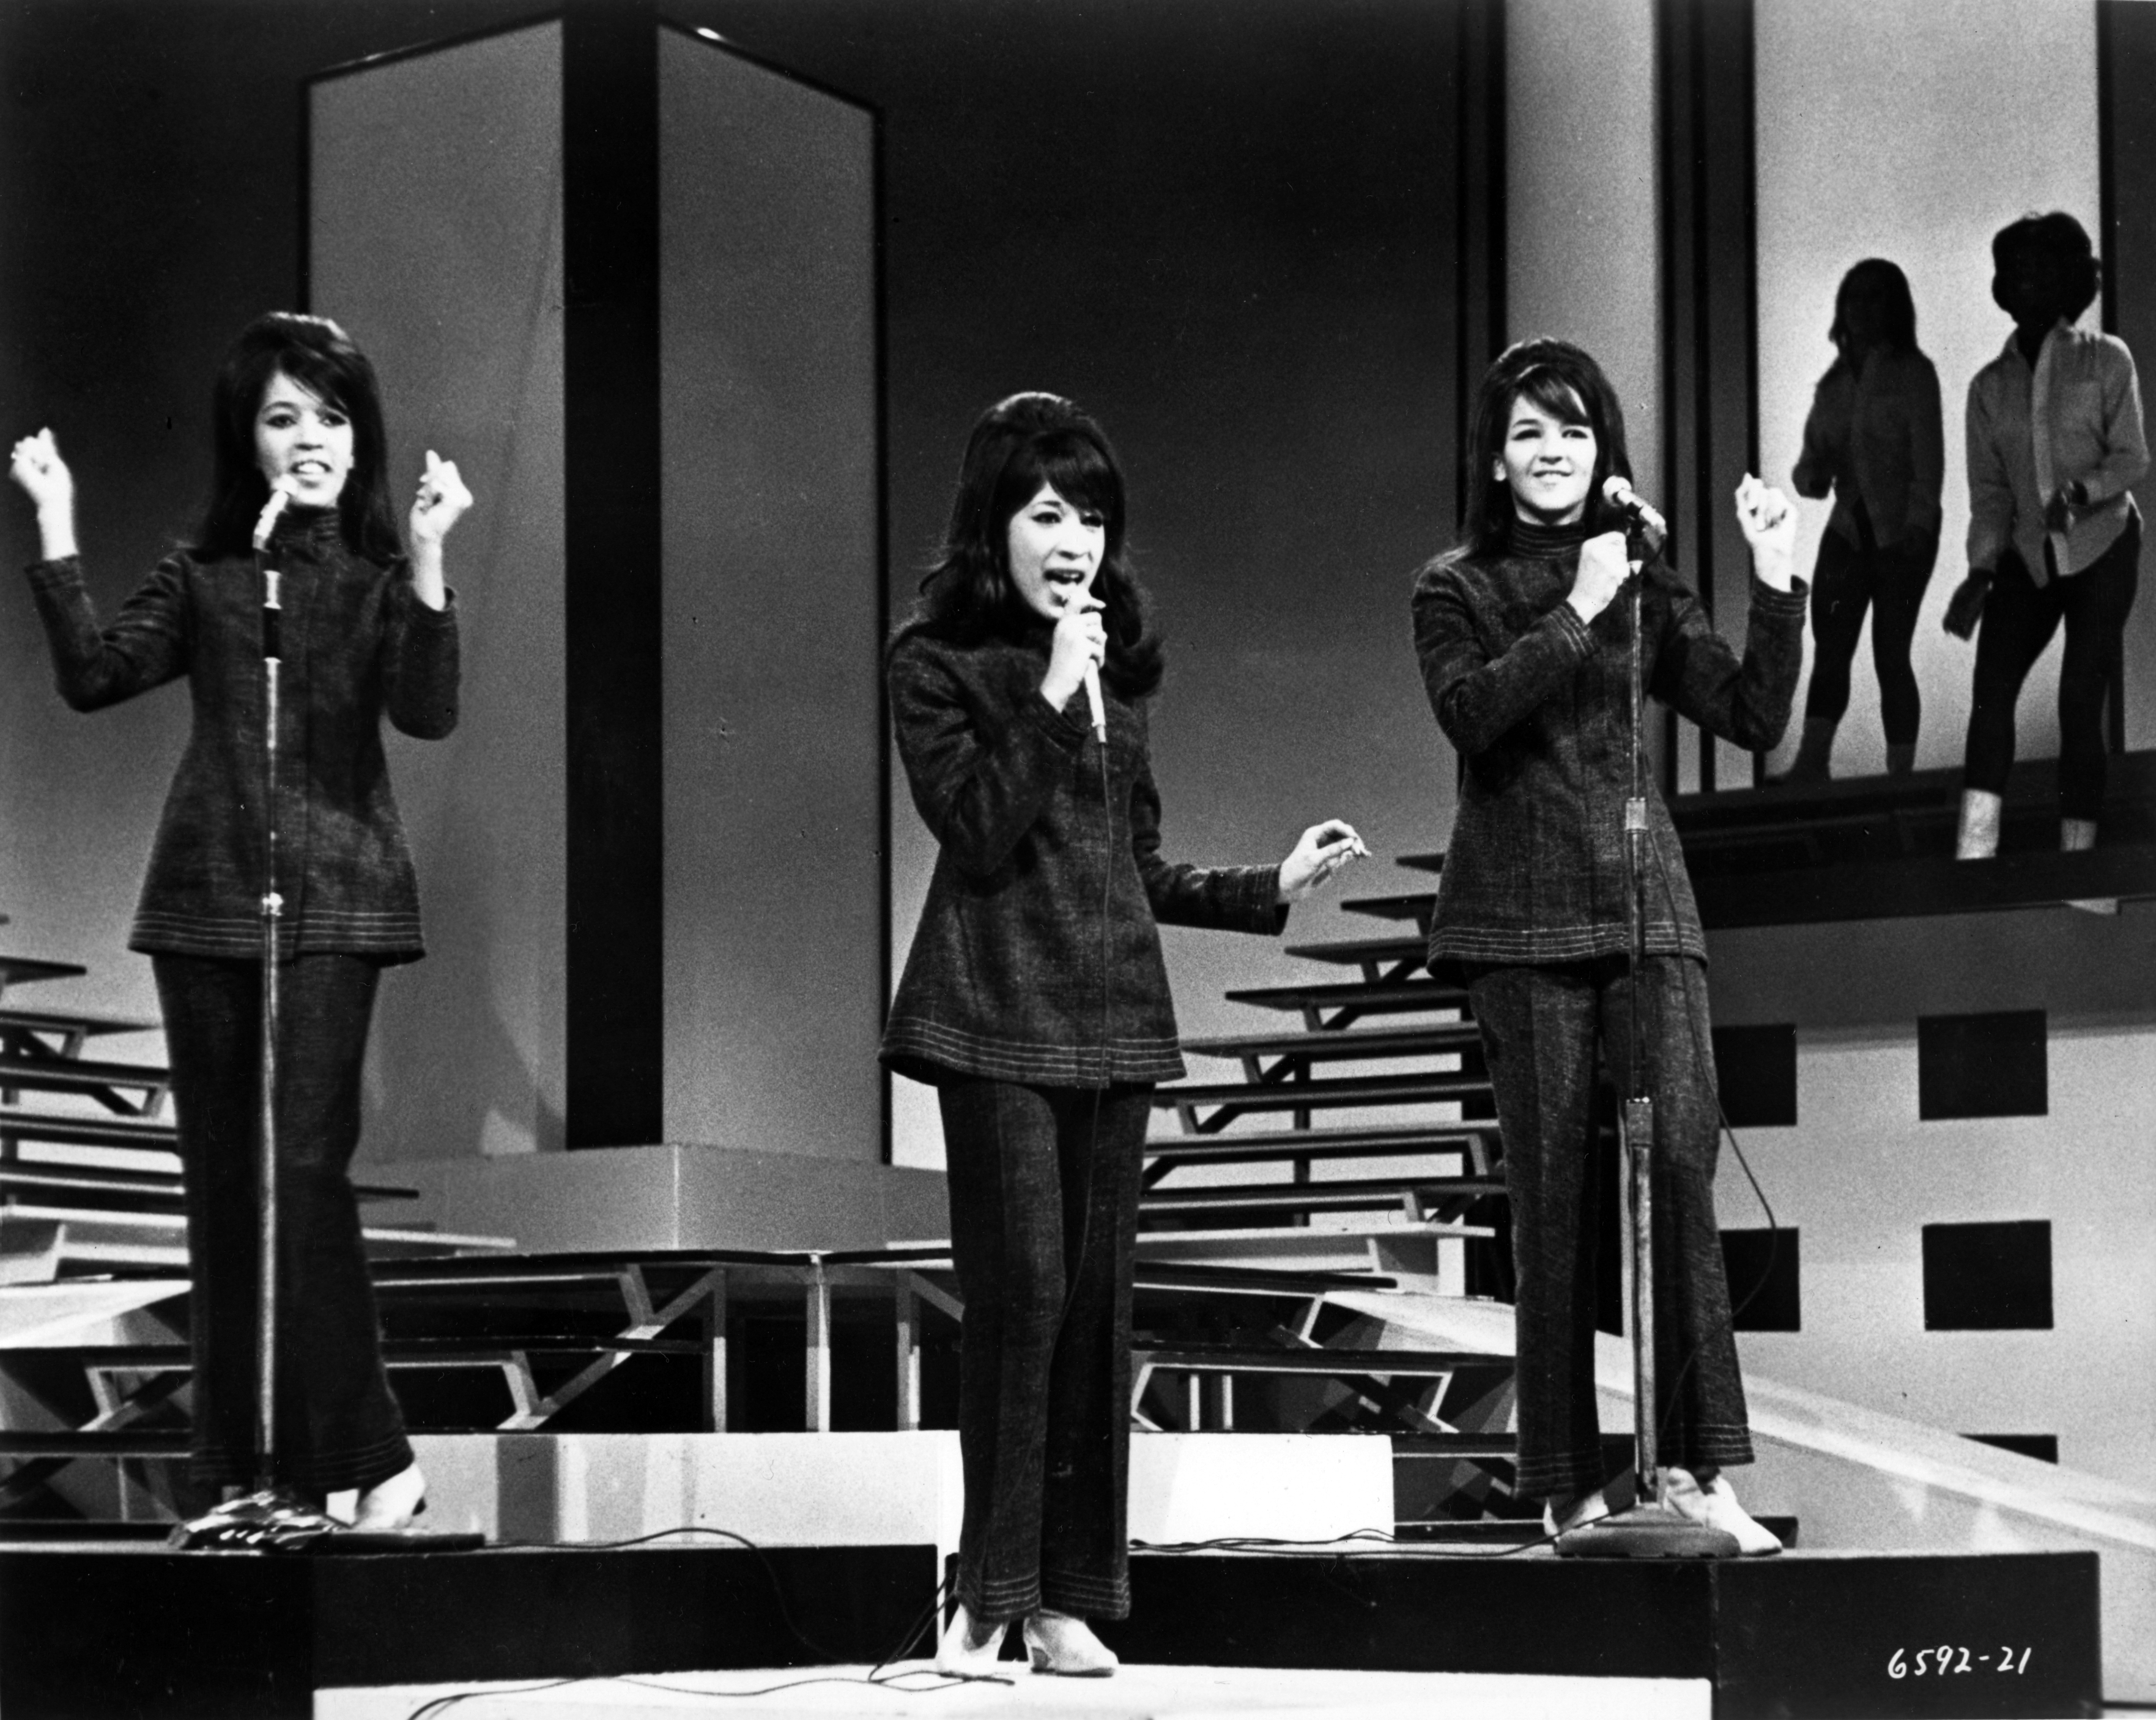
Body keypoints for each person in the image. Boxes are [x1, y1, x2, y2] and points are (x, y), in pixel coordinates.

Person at [883, 392, 1363, 1675]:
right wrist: (1050, 692)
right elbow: (977, 826)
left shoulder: (1116, 675)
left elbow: (1132, 867)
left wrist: (1269, 884)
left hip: (1112, 1026)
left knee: (1094, 1313)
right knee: (1023, 1298)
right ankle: (984, 1596)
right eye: (1049, 513)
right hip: (994, 1018)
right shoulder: (934, 661)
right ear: (995, 521)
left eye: (1091, 516)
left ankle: (1062, 1595)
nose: (1074, 541)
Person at [8, 312, 472, 1529]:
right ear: (248, 441)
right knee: (224, 1191)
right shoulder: (209, 576)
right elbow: (94, 675)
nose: (310, 437)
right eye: (283, 417)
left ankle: (373, 1457)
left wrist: (430, 555)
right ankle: (244, 1479)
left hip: (341, 901)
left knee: (299, 1171)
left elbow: (427, 710)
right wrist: (55, 522)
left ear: (359, 438)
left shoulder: (379, 582)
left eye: (332, 416)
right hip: (206, 901)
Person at [1410, 338, 1802, 1555]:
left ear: (1604, 451)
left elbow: (1750, 713)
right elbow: (1474, 714)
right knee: (1551, 1201)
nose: (1552, 451)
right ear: (1494, 458)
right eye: (1528, 432)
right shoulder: (1454, 586)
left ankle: (1695, 1467)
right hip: (1517, 923)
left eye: (1574, 430)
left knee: (1678, 1164)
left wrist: (1775, 579)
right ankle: (1564, 1483)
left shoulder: (1642, 573)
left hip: (1643, 906)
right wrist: (1578, 605)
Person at [1944, 212, 2146, 864]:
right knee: (1991, 692)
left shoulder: (2105, 358)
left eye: (2038, 268)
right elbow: (1991, 496)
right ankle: (1974, 856)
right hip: (2028, 558)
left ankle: (2080, 868)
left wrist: (2081, 492)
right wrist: (1979, 572)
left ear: (2067, 280)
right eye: (2012, 271)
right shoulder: (1987, 388)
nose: (2023, 281)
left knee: (2079, 697)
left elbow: (2132, 458)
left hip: (2102, 546)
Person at [1785, 258, 1944, 780]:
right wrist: (1814, 476)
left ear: (1895, 307)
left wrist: (1919, 527)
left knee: (1890, 654)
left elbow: (1928, 461)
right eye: (1854, 296)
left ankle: (1900, 774)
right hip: (1848, 529)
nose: (1862, 307)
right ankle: (1812, 762)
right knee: (1830, 649)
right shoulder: (1832, 385)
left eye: (1875, 296)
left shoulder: (1913, 373)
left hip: (1901, 530)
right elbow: (1808, 465)